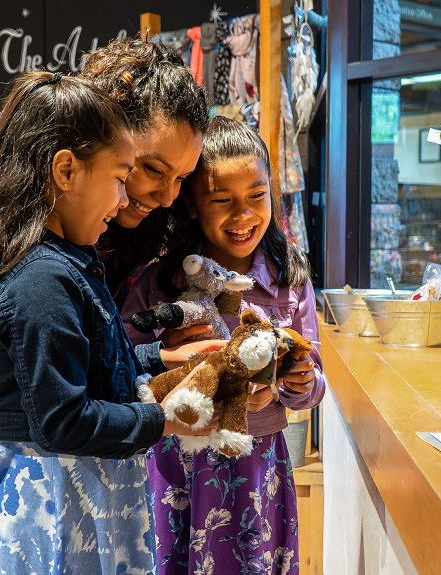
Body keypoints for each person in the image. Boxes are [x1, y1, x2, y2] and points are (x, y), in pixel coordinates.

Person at [0, 37, 211, 575]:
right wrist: (162, 418)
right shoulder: (39, 261)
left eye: (181, 178)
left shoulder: (96, 222)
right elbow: (60, 415)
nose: (165, 196)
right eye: (146, 170)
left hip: (38, 402)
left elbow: (88, 347)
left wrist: (162, 360)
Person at [121, 116, 327, 575]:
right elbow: (123, 361)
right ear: (192, 205)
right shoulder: (163, 282)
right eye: (222, 201)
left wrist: (295, 383)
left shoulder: (289, 279)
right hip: (177, 460)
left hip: (259, 463)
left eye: (257, 196)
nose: (244, 215)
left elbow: (313, 381)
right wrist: (169, 357)